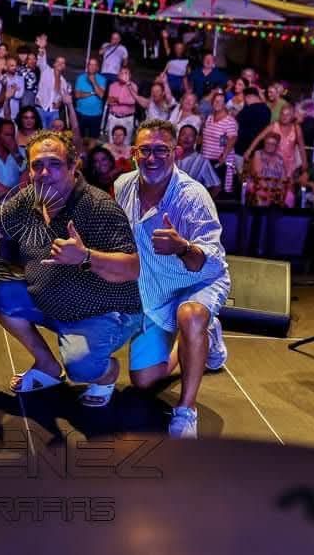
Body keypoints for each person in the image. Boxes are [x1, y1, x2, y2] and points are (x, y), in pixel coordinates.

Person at [0, 130, 142, 407]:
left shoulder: (98, 206)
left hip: (103, 311)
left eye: (55, 164)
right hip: (53, 301)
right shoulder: (30, 199)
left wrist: (85, 257)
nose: (45, 172)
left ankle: (106, 374)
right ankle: (47, 365)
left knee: (81, 368)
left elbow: (132, 268)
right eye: (37, 165)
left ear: (74, 166)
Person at [115, 120, 230, 439]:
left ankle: (185, 411)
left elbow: (208, 259)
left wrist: (181, 247)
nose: (151, 158)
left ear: (175, 152)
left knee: (190, 315)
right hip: (156, 289)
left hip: (198, 281)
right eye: (144, 150)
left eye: (161, 150)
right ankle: (204, 342)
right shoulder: (123, 184)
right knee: (144, 380)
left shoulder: (193, 196)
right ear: (134, 153)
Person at [176, 125, 222, 197]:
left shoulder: (202, 161)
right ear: (178, 138)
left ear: (196, 140)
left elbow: (216, 186)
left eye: (190, 135)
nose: (186, 138)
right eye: (183, 134)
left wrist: (204, 203)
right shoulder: (170, 157)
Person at [73, 57, 107, 140]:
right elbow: (77, 95)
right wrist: (93, 92)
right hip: (81, 113)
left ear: (98, 68)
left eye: (94, 65)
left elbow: (101, 95)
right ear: (87, 66)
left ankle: (91, 153)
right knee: (80, 138)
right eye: (90, 64)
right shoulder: (80, 78)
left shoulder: (102, 79)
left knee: (93, 140)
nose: (92, 67)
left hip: (96, 115)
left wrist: (93, 81)